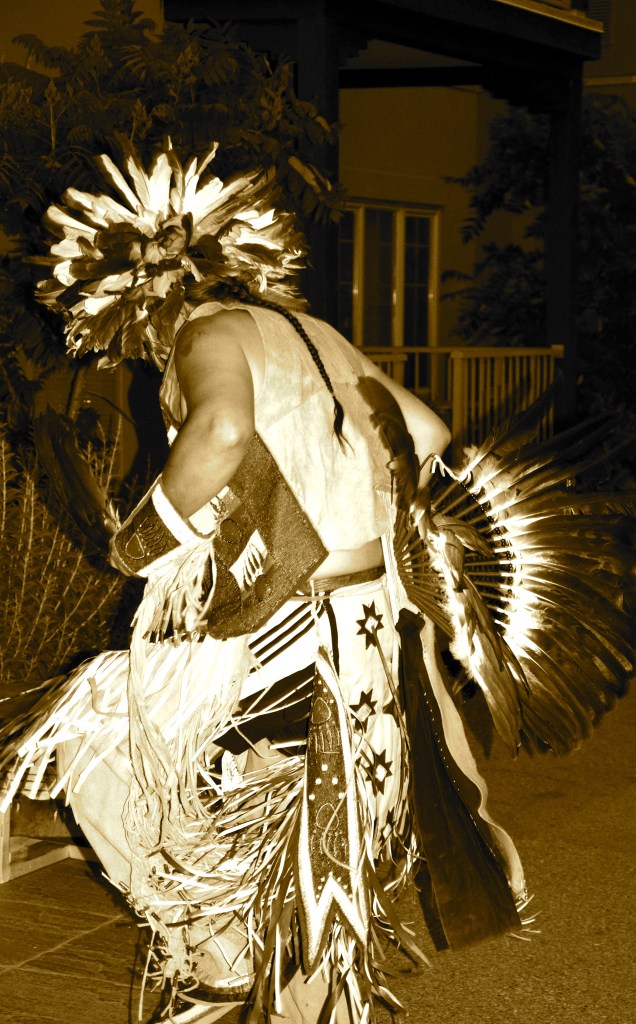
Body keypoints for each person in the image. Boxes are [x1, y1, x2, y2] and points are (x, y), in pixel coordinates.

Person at [2, 141, 631, 1024]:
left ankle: (211, 948)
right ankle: (252, 957)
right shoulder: (317, 334)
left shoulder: (204, 335)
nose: (142, 356)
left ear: (145, 301)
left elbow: (221, 432)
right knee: (310, 870)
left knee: (94, 737)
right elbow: (426, 431)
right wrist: (361, 516)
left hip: (290, 632)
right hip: (369, 628)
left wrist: (139, 542)